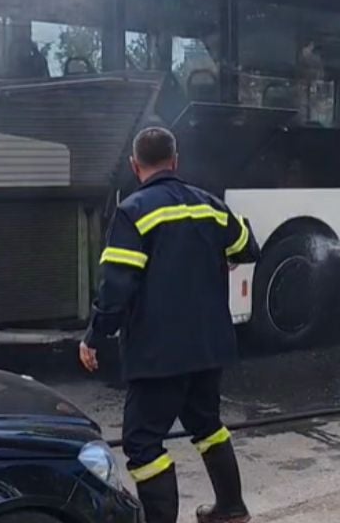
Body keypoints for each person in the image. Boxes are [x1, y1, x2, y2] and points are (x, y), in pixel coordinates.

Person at [79, 127, 260, 523]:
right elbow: (248, 247)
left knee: (143, 443)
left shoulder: (133, 212)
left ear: (134, 165)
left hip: (159, 350)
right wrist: (224, 255)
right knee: (207, 424)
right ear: (175, 161)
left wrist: (95, 334)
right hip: (209, 345)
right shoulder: (208, 205)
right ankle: (231, 507)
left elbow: (116, 285)